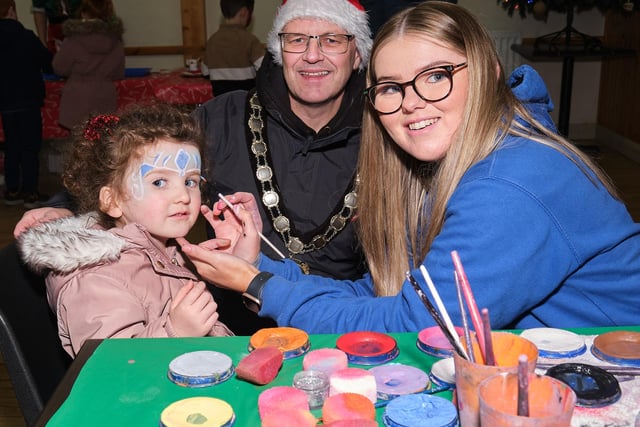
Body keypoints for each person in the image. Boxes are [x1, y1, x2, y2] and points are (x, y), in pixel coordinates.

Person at [178, 2, 640, 333]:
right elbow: (390, 295)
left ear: (488, 72)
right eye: (392, 87)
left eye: (436, 76)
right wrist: (258, 266)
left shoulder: (512, 181)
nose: (413, 103)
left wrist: (258, 286)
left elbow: (413, 324)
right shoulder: (445, 166)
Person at [17, 103, 232, 358]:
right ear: (112, 201)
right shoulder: (94, 279)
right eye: (159, 182)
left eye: (190, 181)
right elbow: (112, 365)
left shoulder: (170, 250)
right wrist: (174, 331)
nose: (183, 195)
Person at [0, 0, 53, 207]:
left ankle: (12, 190)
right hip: (28, 99)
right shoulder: (26, 36)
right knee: (30, 147)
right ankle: (30, 192)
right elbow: (48, 64)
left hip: (4, 102)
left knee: (11, 145)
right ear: (12, 10)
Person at [52, 0, 124, 130]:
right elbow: (119, 72)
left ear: (84, 13)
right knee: (103, 142)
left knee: (78, 144)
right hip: (105, 95)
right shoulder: (116, 39)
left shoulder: (74, 38)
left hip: (78, 96)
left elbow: (59, 68)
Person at [202, 0, 265, 96]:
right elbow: (264, 67)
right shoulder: (250, 40)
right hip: (245, 103)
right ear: (244, 12)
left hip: (220, 104)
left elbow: (205, 71)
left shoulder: (212, 41)